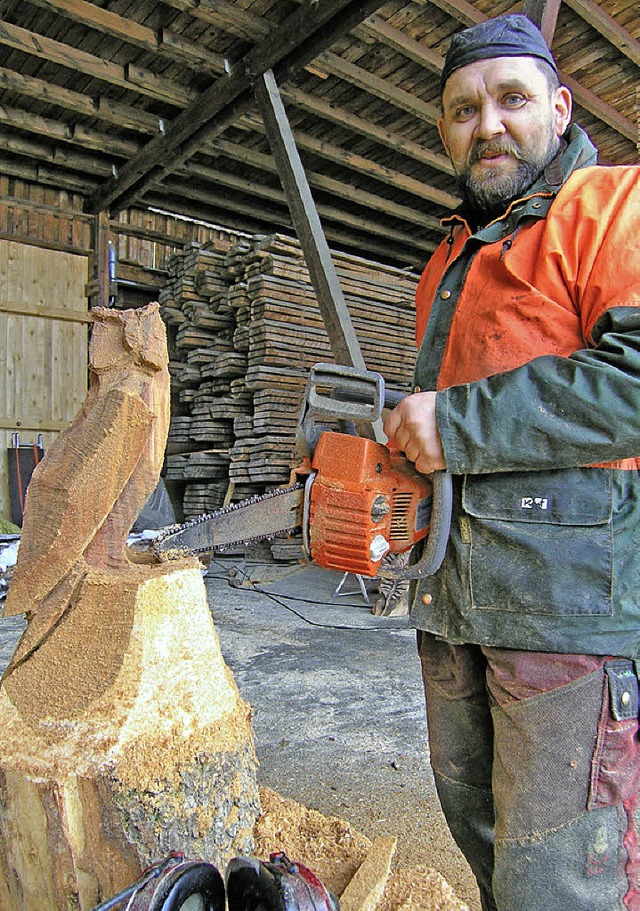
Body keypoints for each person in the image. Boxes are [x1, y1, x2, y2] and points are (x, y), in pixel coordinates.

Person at [383, 13, 640, 911]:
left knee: (559, 879)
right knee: (484, 839)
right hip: (453, 601)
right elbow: (436, 434)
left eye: (512, 99)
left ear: (560, 108)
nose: (487, 123)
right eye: (462, 109)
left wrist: (454, 425)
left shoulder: (613, 207)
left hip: (565, 612)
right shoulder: (449, 257)